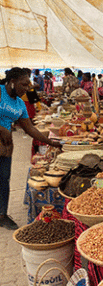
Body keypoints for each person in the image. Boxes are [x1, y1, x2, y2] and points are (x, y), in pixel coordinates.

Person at [0, 68, 61, 229]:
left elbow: (30, 129)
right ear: (12, 82)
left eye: (29, 85)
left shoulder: (20, 103)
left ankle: (2, 215)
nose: (27, 88)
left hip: (4, 147)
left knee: (4, 180)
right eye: (24, 84)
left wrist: (52, 142)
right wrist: (1, 128)